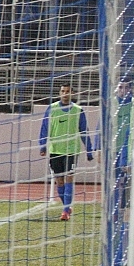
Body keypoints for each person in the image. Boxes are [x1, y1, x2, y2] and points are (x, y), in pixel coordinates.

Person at [39, 83, 93, 220]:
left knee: (69, 178)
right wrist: (42, 145)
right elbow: (45, 127)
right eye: (63, 91)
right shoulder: (52, 109)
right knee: (60, 181)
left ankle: (64, 211)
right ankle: (67, 207)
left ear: (72, 93)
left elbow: (84, 131)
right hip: (56, 150)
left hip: (71, 151)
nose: (65, 93)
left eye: (68, 91)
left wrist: (89, 150)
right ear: (59, 93)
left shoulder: (78, 110)